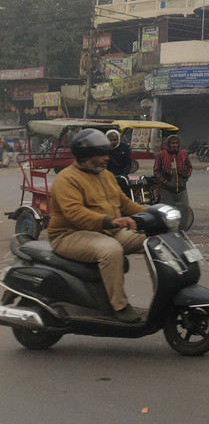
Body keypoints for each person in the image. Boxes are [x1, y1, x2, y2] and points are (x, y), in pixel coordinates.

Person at [48, 128, 146, 323]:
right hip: (69, 235)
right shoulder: (67, 179)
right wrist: (110, 221)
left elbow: (125, 204)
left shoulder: (106, 176)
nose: (106, 158)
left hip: (106, 230)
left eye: (106, 153)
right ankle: (119, 306)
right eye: (101, 154)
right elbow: (75, 214)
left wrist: (153, 212)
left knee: (151, 240)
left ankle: (166, 296)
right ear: (86, 155)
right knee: (110, 250)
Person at [153, 134, 192, 229]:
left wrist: (186, 177)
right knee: (168, 210)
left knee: (184, 209)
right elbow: (156, 171)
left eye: (177, 143)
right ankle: (168, 230)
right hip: (167, 189)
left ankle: (182, 230)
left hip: (182, 188)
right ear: (168, 144)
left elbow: (189, 167)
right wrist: (165, 182)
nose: (175, 145)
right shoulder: (161, 155)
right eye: (172, 143)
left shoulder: (183, 154)